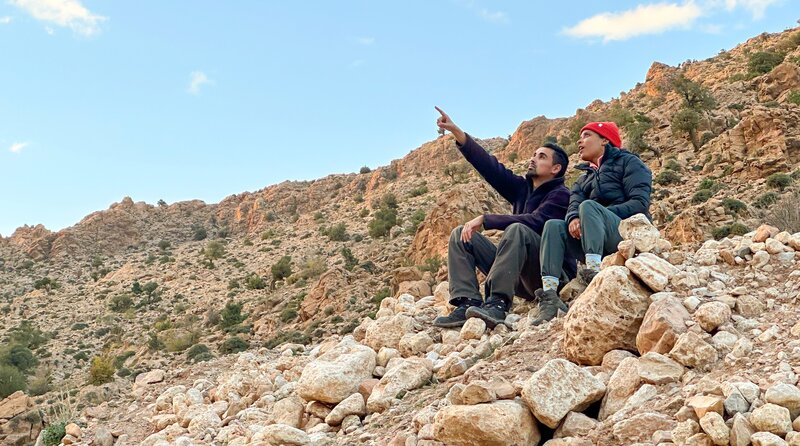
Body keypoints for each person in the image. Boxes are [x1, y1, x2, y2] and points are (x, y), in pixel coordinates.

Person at [432, 107, 576, 329]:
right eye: (534, 155)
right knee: (461, 234)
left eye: (541, 157)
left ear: (556, 168)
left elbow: (536, 221)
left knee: (518, 229)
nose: (533, 159)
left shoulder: (561, 195)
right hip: (518, 276)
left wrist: (486, 219)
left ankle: (497, 304)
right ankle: (467, 301)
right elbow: (490, 167)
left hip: (551, 277)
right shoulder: (521, 189)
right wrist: (457, 132)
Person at [533, 121, 652, 325]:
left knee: (588, 206)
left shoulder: (630, 163)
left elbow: (640, 203)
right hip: (592, 237)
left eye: (587, 135)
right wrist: (573, 218)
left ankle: (594, 272)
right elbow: (573, 205)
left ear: (605, 140)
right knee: (553, 226)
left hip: (624, 236)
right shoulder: (583, 178)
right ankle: (550, 295)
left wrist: (596, 214)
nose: (580, 141)